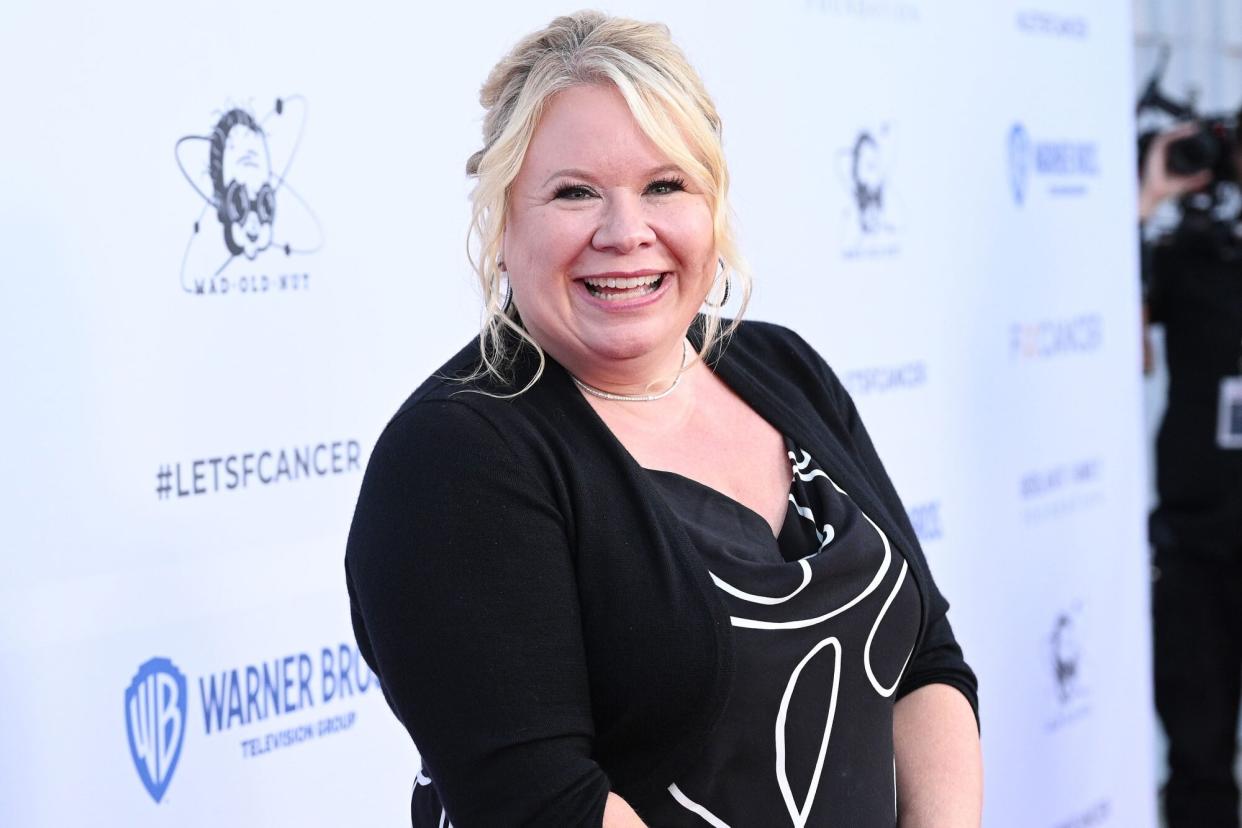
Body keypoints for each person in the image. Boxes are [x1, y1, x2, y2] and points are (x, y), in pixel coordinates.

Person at [345, 11, 981, 826]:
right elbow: (543, 805)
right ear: (504, 223)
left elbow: (926, 659)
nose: (625, 233)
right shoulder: (457, 456)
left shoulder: (784, 371)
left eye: (664, 185)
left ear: (711, 204)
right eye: (575, 192)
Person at [1142, 121, 1242, 828]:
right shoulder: (1189, 253)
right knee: (1198, 753)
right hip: (1198, 538)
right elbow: (1116, 334)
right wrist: (1147, 200)